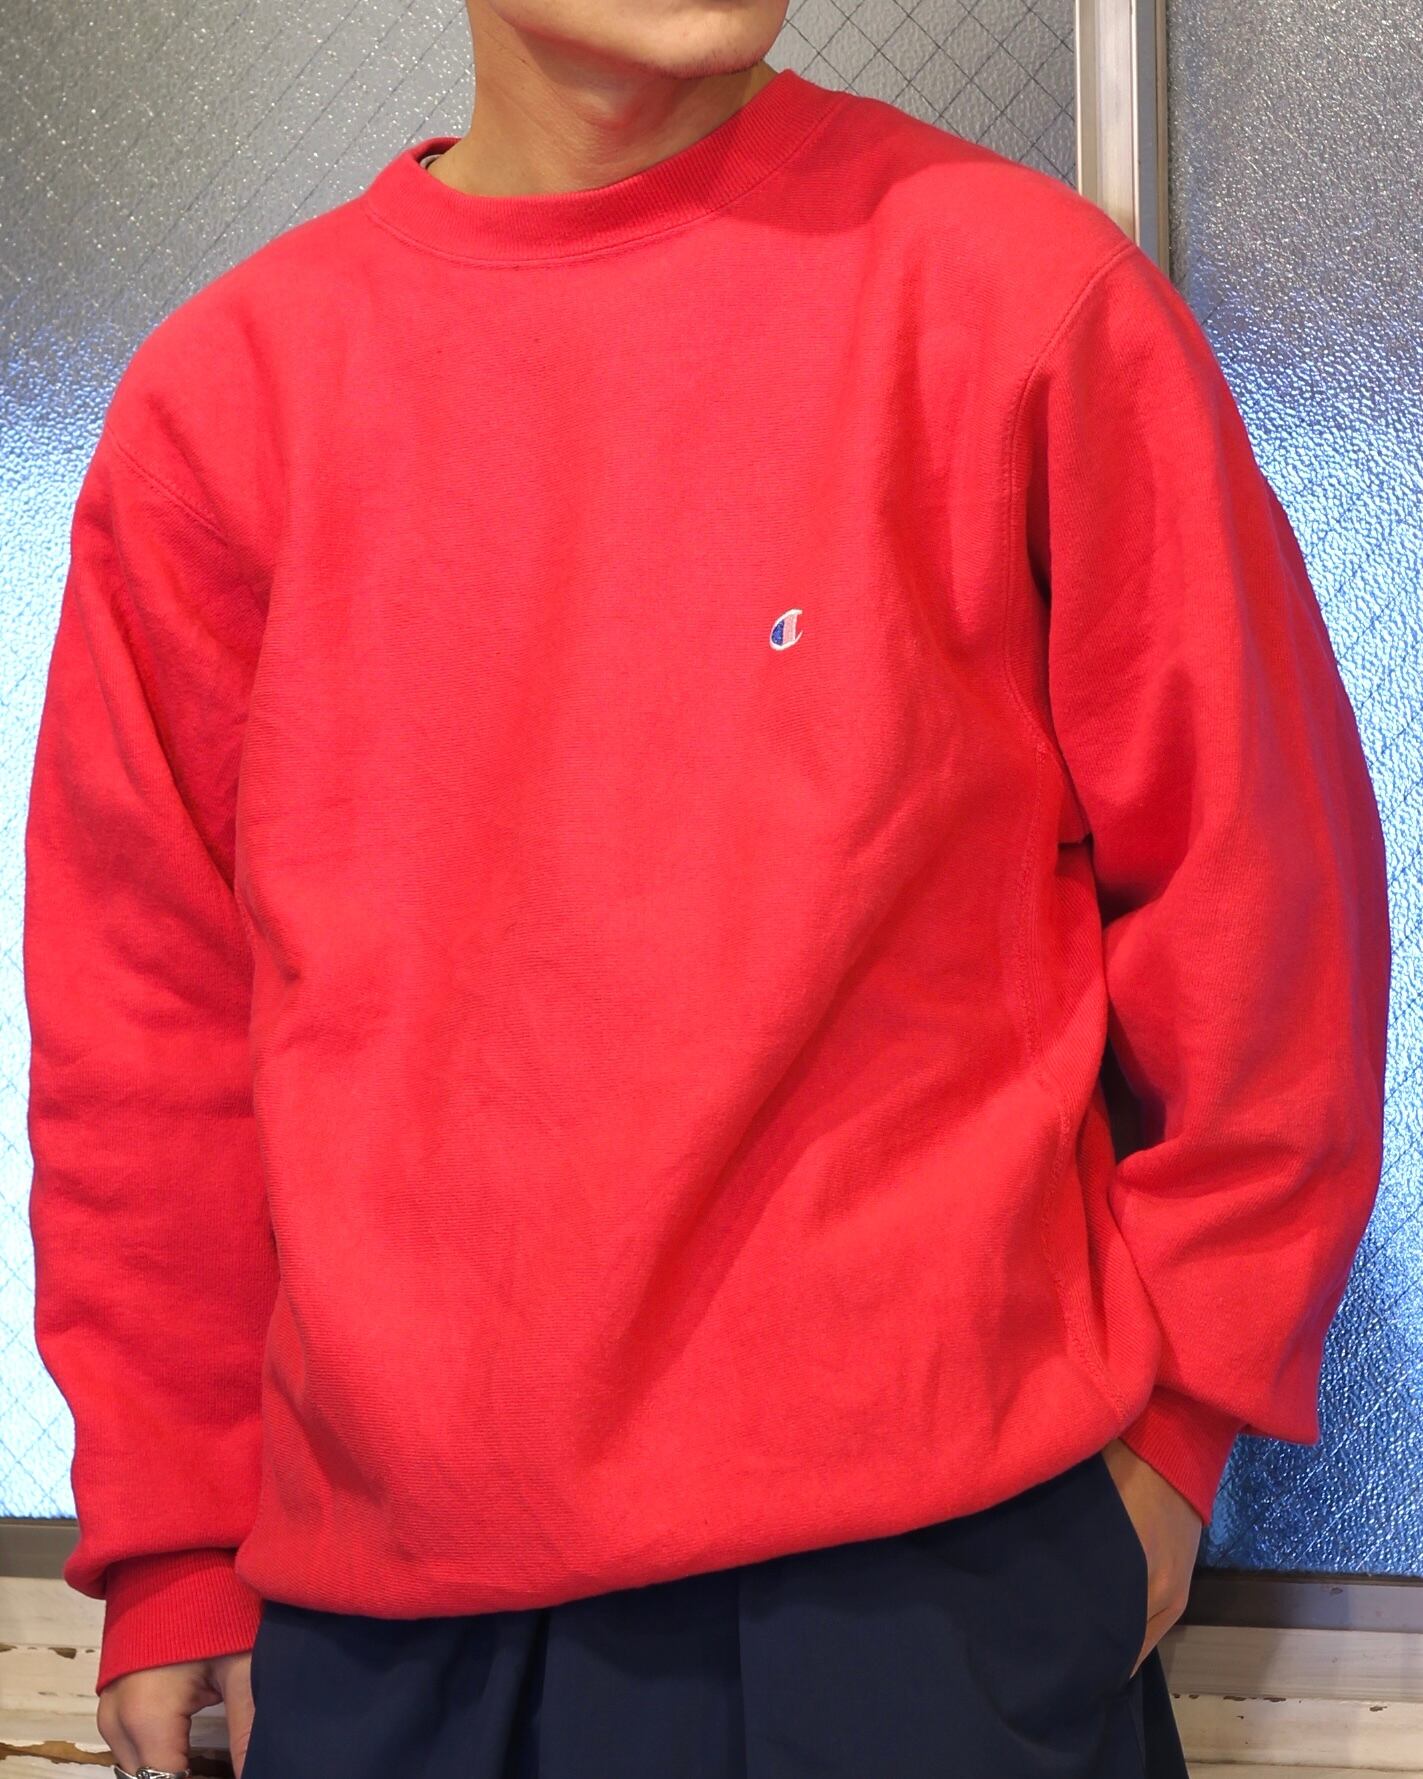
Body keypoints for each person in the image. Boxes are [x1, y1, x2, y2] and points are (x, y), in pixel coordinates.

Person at [22, 1, 1391, 1776]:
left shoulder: (1016, 299)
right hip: (391, 1619)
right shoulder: (232, 402)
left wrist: (1186, 1418)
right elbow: (147, 1017)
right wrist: (179, 1532)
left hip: (931, 1604)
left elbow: (1262, 901)